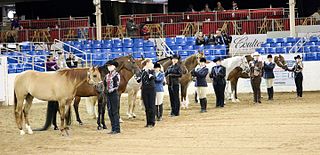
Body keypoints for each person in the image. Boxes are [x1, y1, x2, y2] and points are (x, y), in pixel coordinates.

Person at [137, 59, 156, 127]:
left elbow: (154, 78)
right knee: (147, 106)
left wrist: (151, 75)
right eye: (151, 62)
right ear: (147, 63)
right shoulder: (142, 71)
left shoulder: (152, 70)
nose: (152, 64)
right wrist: (138, 78)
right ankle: (148, 122)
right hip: (144, 89)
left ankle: (152, 122)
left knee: (151, 105)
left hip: (151, 89)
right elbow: (139, 80)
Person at [104, 60, 121, 134]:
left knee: (114, 111)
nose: (108, 67)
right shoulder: (107, 76)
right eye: (108, 66)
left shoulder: (116, 75)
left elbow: (116, 85)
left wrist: (110, 90)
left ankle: (117, 128)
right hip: (108, 94)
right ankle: (113, 127)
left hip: (113, 94)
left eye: (110, 66)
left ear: (114, 67)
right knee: (110, 111)